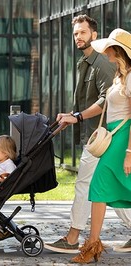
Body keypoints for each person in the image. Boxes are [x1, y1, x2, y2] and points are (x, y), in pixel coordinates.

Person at [45, 15, 131, 254]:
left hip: (106, 137)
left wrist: (78, 116)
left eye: (82, 32)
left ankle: (75, 237)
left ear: (94, 35)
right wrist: (73, 115)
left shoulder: (102, 63)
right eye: (75, 33)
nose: (78, 37)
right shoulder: (87, 62)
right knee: (107, 185)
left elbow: (105, 101)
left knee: (89, 184)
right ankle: (89, 241)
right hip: (100, 136)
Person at [69, 28, 131, 263]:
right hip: (114, 136)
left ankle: (92, 245)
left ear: (118, 50)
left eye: (109, 47)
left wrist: (128, 153)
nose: (105, 51)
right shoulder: (119, 76)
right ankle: (92, 245)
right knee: (104, 189)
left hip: (124, 138)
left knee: (99, 186)